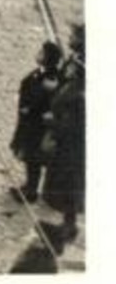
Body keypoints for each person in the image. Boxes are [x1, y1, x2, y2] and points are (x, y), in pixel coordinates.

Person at [42, 23, 85, 247]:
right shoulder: (75, 82)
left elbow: (75, 125)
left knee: (71, 185)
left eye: (73, 35)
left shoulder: (81, 95)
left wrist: (54, 123)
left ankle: (70, 224)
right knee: (66, 183)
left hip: (72, 148)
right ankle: (67, 221)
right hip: (65, 143)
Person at [9, 40, 63, 204]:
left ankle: (31, 190)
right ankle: (28, 186)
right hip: (29, 122)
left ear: (47, 58)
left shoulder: (51, 77)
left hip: (36, 125)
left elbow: (43, 98)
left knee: (33, 157)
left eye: (41, 53)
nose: (38, 54)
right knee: (28, 156)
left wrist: (29, 109)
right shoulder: (41, 73)